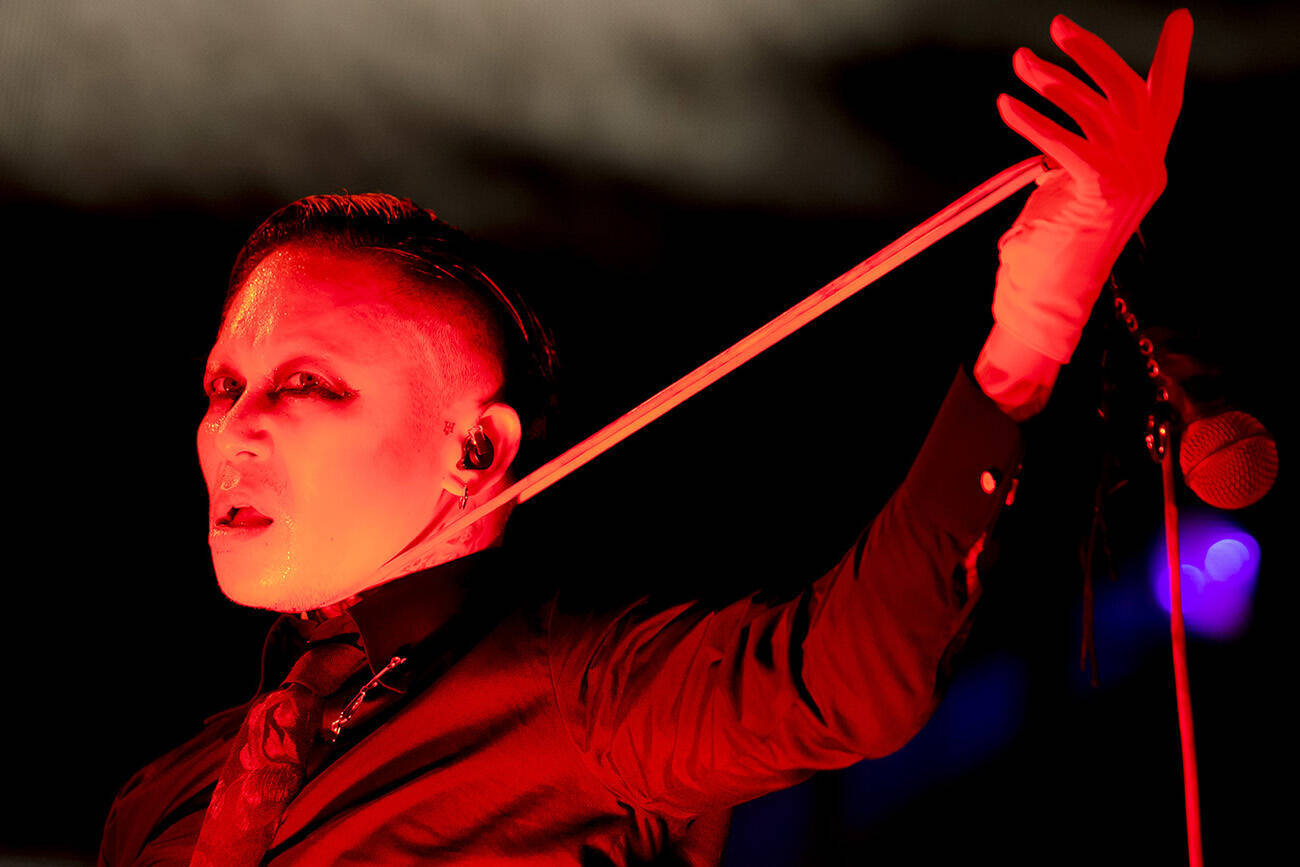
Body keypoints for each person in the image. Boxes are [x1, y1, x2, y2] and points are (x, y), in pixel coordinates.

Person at [97, 11, 1193, 866]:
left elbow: (848, 676)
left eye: (305, 385)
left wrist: (1031, 329)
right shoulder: (158, 801)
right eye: (223, 384)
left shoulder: (582, 702)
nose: (231, 428)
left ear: (475, 452)